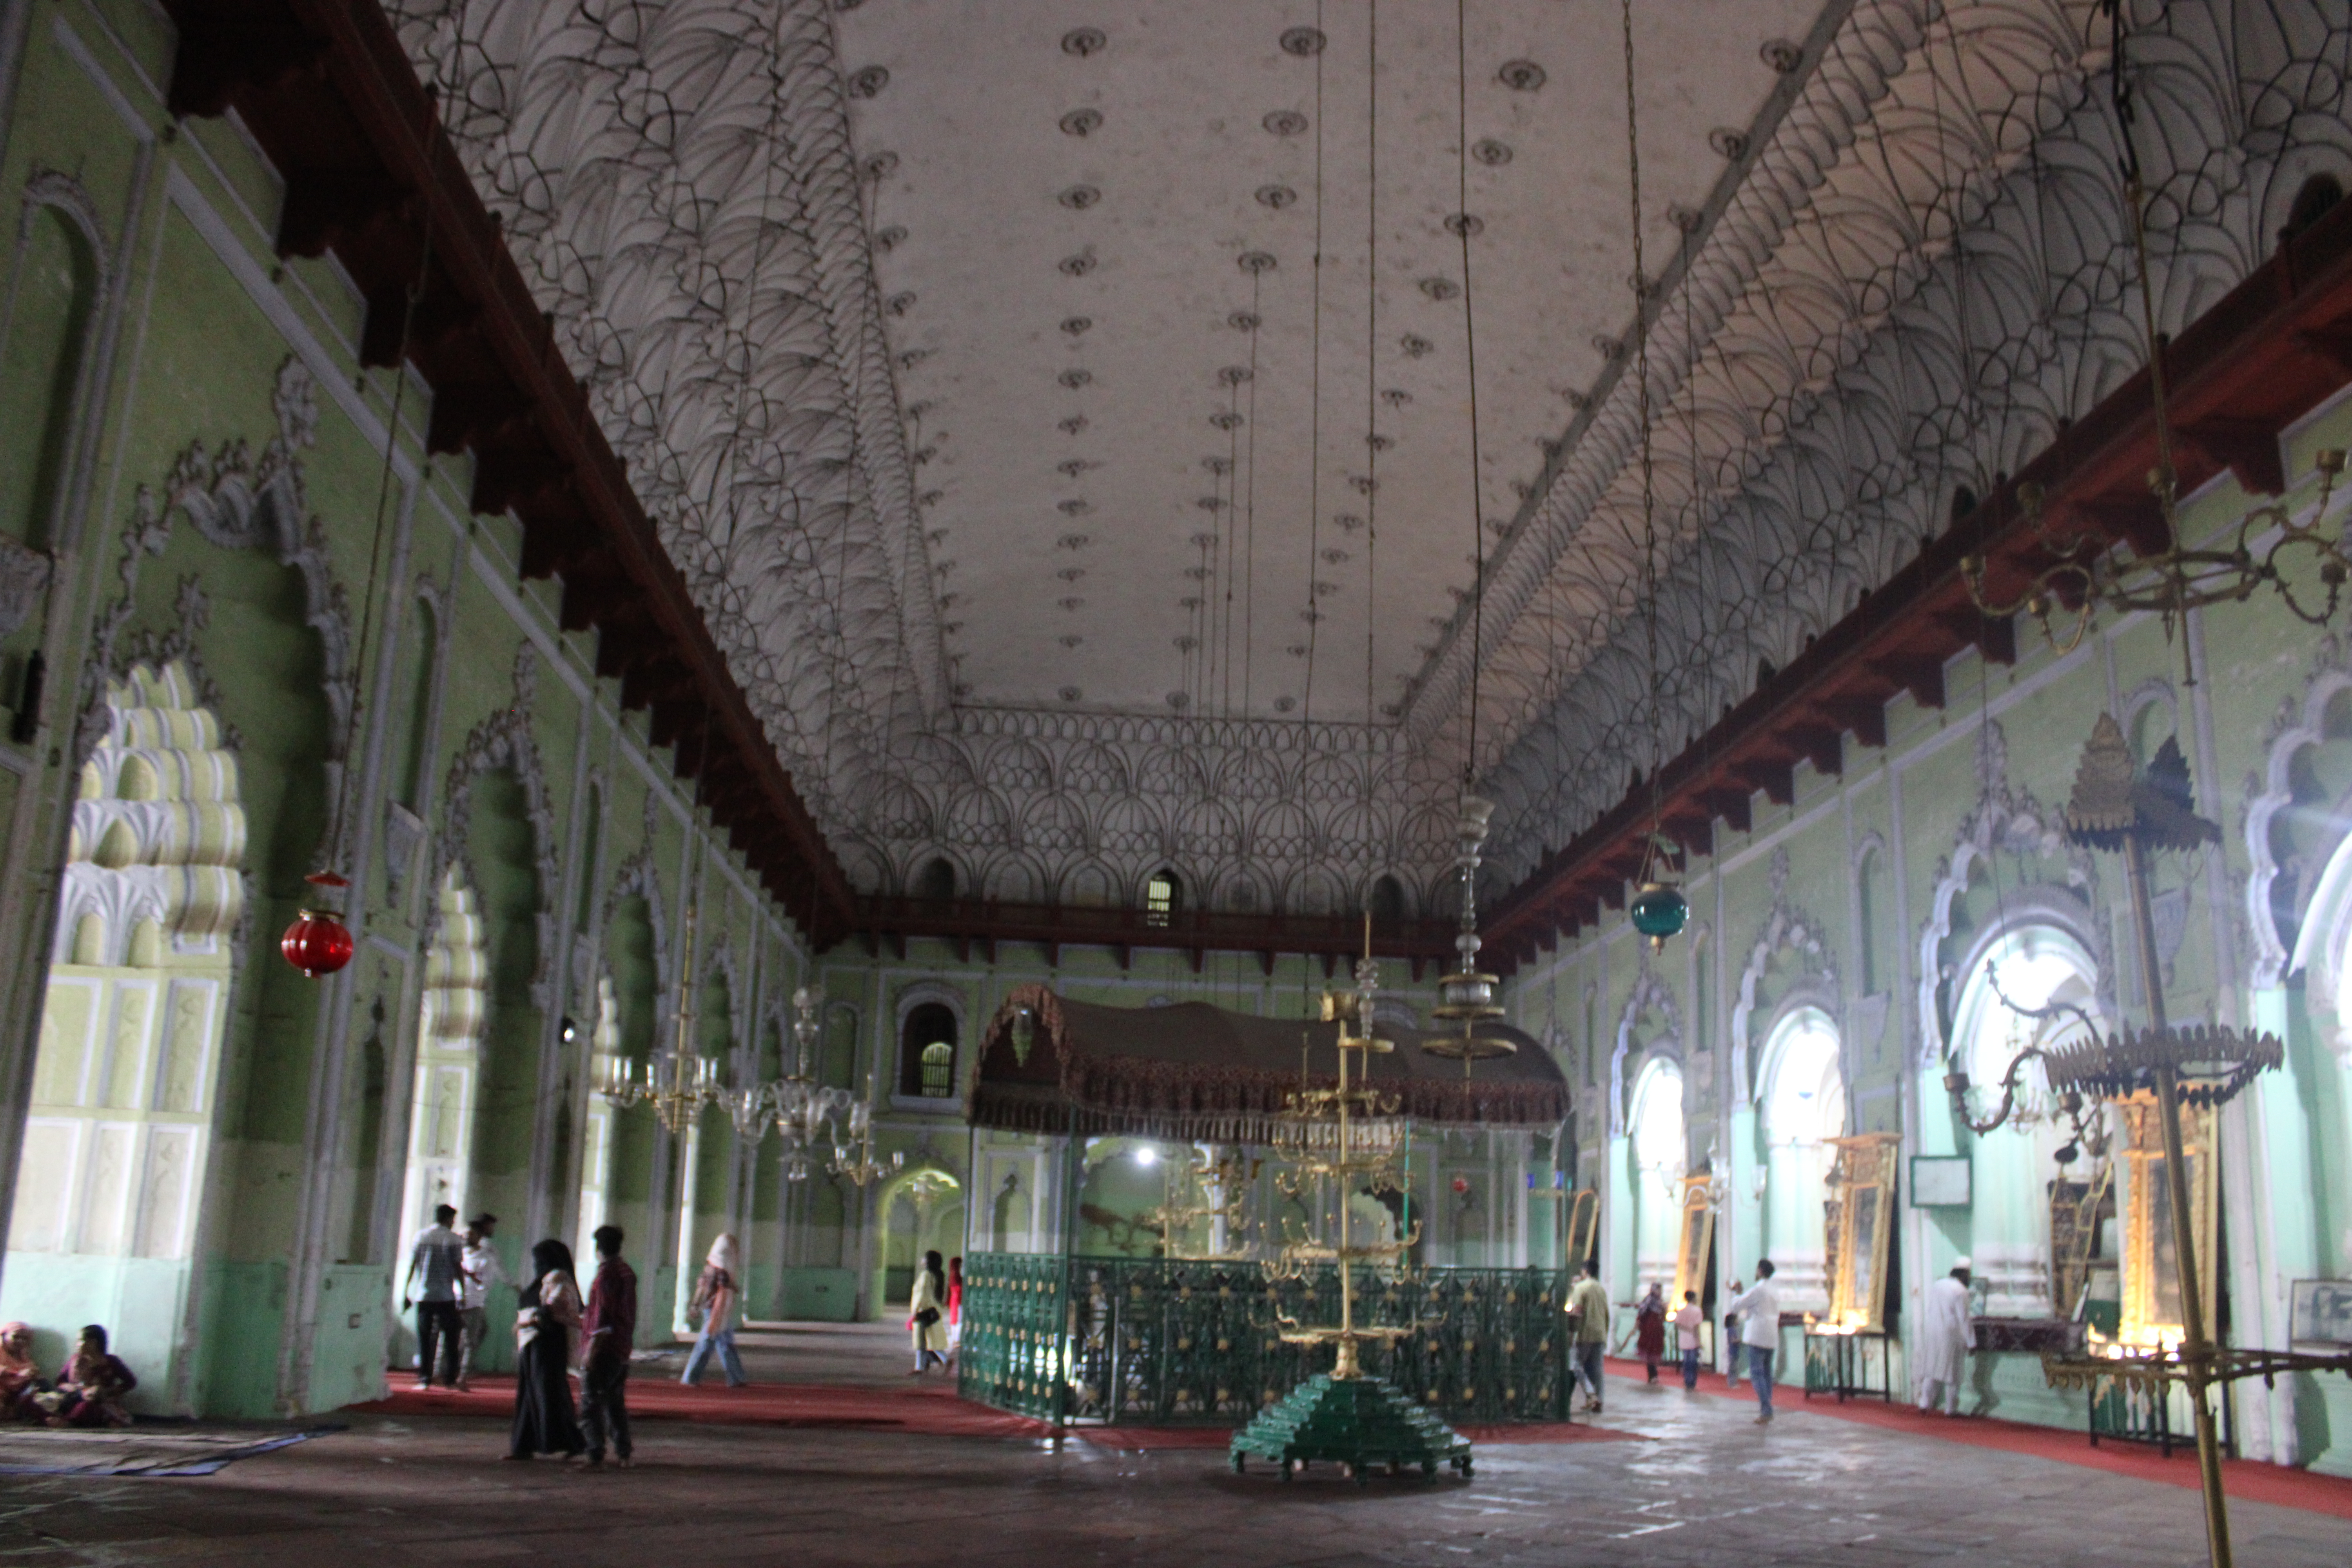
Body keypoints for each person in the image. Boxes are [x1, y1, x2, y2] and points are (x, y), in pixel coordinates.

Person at [507, 1238, 586, 1461]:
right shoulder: (544, 1281)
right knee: (529, 1393)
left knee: (548, 1392)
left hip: (549, 1343)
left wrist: (527, 1322)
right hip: (532, 1343)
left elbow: (551, 1311)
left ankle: (573, 1442)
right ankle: (523, 1445)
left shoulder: (559, 1280)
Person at [580, 1224, 636, 1468]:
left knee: (591, 1402)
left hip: (605, 1348)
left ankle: (595, 1453)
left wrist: (591, 1352)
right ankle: (624, 1453)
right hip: (622, 1345)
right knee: (615, 1403)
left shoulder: (606, 1275)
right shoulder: (626, 1271)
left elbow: (603, 1316)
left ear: (597, 1248)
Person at [404, 1202, 465, 1390]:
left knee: (425, 1338)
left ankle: (424, 1379)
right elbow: (457, 1268)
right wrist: (462, 1292)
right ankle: (450, 1380)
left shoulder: (421, 1236)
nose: (454, 1223)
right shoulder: (454, 1239)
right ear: (448, 1219)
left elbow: (413, 1265)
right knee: (451, 1338)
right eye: (453, 1219)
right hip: (446, 1296)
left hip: (424, 1295)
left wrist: (406, 1293)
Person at [681, 1233, 748, 1388]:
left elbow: (701, 1288)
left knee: (723, 1344)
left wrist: (694, 1306)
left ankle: (736, 1377)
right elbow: (723, 1289)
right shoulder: (723, 1270)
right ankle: (691, 1377)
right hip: (716, 1312)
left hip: (714, 1310)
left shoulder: (710, 1266)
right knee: (709, 1344)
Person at [1915, 1257, 1977, 1416]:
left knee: (1932, 1370)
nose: (1969, 1278)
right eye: (1968, 1275)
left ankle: (1924, 1404)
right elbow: (1964, 1319)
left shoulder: (1938, 1285)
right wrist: (1972, 1342)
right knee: (1953, 1373)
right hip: (1951, 1335)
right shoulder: (1961, 1291)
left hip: (1933, 1332)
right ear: (1964, 1273)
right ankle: (1951, 1410)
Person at [1725, 1259, 1782, 1424]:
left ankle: (1766, 1409)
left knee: (1757, 1375)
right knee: (1767, 1374)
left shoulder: (1759, 1289)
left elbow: (1737, 1307)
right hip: (1771, 1335)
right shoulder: (1774, 1290)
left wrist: (1736, 1293)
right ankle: (1767, 1406)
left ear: (1760, 1271)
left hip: (1758, 1335)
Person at [456, 1212, 508, 1392]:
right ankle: (459, 1372)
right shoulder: (481, 1250)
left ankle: (462, 1373)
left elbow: (488, 1277)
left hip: (475, 1300)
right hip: (464, 1300)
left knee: (471, 1337)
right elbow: (497, 1270)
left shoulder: (483, 1252)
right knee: (466, 1338)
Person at [49, 1325, 135, 1428]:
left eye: (81, 1341)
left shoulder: (112, 1362)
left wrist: (107, 1392)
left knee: (92, 1407)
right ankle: (71, 1421)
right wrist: (79, 1391)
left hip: (101, 1402)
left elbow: (131, 1382)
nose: (77, 1345)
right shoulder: (75, 1361)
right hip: (76, 1400)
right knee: (79, 1405)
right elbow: (60, 1383)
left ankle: (72, 1422)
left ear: (93, 1343)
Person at [1563, 1261, 1610, 1414]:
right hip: (1600, 1333)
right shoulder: (1601, 1289)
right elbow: (1606, 1313)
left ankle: (1591, 1394)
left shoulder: (1581, 1288)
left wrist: (1571, 1333)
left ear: (1585, 1271)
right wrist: (1605, 1332)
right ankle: (1599, 1401)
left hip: (1585, 1334)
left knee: (1576, 1365)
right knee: (1597, 1370)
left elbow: (1577, 1312)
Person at [1616, 1281, 1667, 1386]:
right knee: (1650, 1352)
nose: (1660, 1292)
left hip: (1658, 1330)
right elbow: (1641, 1314)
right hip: (1648, 1330)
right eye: (1658, 1290)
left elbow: (1664, 1317)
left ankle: (1653, 1375)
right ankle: (1653, 1375)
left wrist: (1665, 1309)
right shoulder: (1648, 1301)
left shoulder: (1660, 1302)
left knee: (1656, 1351)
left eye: (1661, 1290)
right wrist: (1636, 1327)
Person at [908, 1249, 949, 1374]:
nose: (922, 1260)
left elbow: (922, 1294)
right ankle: (926, 1365)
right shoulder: (938, 1274)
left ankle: (923, 1366)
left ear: (928, 1261)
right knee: (930, 1340)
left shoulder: (926, 1275)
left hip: (923, 1311)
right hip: (932, 1311)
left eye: (924, 1258)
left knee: (921, 1341)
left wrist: (915, 1311)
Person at [0, 1322, 46, 1420]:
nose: (20, 1341)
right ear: (5, 1336)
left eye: (25, 1339)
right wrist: (16, 1374)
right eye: (16, 1337)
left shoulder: (23, 1356)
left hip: (13, 1395)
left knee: (40, 1386)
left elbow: (32, 1371)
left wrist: (34, 1375)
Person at [1673, 1290, 1704, 1391]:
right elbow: (1696, 1328)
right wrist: (1699, 1342)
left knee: (1686, 1362)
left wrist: (1686, 1329)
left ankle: (1687, 1380)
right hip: (1693, 1340)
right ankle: (1692, 1382)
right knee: (1693, 1362)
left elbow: (1677, 1325)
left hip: (1684, 1339)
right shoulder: (1697, 1311)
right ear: (1694, 1298)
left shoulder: (1681, 1311)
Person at [1722, 1277, 1746, 1379]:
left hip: (1734, 1350)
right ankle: (1732, 1380)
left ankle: (1733, 1380)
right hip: (1733, 1350)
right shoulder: (1732, 1329)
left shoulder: (1738, 1298)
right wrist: (1740, 1340)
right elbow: (1733, 1339)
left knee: (1734, 1364)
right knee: (1733, 1365)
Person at [944, 1255, 964, 1367]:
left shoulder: (952, 1274)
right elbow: (959, 1288)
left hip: (954, 1300)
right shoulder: (956, 1275)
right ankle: (957, 1339)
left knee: (955, 1320)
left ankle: (956, 1339)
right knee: (958, 1319)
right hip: (958, 1300)